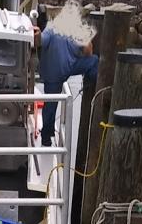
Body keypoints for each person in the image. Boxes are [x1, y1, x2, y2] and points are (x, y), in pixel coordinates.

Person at [34, 9, 98, 147]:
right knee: (50, 105)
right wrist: (37, 34)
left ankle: (90, 82)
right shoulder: (51, 31)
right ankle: (46, 136)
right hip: (55, 73)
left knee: (94, 60)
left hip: (66, 69)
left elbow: (88, 52)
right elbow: (40, 41)